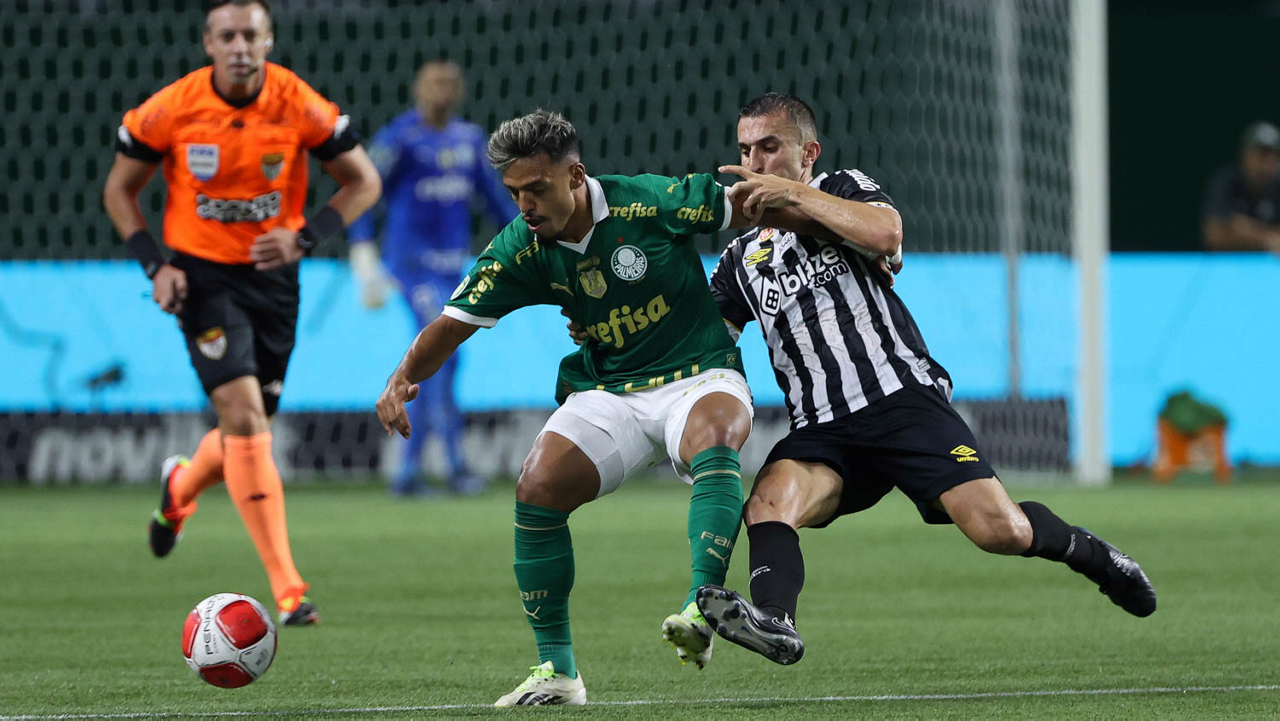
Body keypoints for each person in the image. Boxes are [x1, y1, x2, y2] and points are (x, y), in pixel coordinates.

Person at [375, 109, 843, 706]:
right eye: (514, 193)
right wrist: (401, 378)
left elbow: (755, 205)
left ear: (575, 176)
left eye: (536, 188)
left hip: (699, 373)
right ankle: (558, 673)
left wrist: (854, 234)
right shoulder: (521, 247)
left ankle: (700, 609)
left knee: (716, 432)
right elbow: (452, 323)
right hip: (612, 389)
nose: (525, 205)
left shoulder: (648, 201)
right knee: (537, 486)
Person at [687, 93, 1157, 665]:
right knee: (767, 500)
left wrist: (793, 196)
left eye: (769, 147)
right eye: (745, 151)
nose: (755, 163)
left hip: (901, 401)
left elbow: (886, 233)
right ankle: (775, 621)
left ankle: (1097, 557)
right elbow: (703, 343)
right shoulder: (739, 260)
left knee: (1000, 530)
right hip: (822, 429)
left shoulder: (841, 190)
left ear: (808, 153)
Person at [102, 0, 381, 626]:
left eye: (251, 35)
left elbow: (363, 181)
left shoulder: (296, 102)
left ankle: (179, 488)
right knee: (246, 415)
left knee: (246, 427)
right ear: (208, 43)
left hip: (274, 280)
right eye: (227, 36)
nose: (239, 47)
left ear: (268, 41)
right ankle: (288, 590)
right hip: (201, 279)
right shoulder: (172, 108)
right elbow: (119, 189)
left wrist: (304, 237)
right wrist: (156, 267)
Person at [348, 60, 518, 497]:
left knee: (445, 359)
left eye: (448, 85)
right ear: (418, 90)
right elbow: (365, 190)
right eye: (433, 85)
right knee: (439, 355)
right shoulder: (399, 138)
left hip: (452, 268)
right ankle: (445, 466)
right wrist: (362, 251)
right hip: (411, 266)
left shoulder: (469, 141)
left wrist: (531, 237)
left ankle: (413, 471)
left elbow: (496, 202)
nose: (441, 93)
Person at [1202, 121, 1280, 252]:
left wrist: (1241, 228)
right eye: (1262, 155)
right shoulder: (1226, 182)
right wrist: (1267, 239)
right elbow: (1214, 235)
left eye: (1275, 156)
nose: (1267, 163)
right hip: (1230, 262)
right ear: (1245, 155)